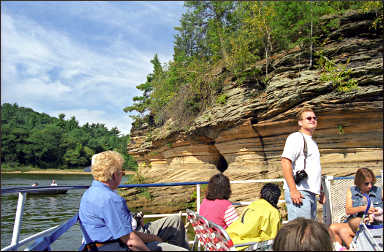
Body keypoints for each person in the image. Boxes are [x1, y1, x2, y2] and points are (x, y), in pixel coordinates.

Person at [79, 151, 189, 251]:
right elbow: (131, 241)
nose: (122, 175)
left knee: (175, 222)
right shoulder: (111, 199)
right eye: (122, 172)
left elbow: (124, 233)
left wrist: (153, 237)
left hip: (103, 244)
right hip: (116, 247)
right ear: (114, 174)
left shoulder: (90, 193)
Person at [281, 107, 325, 221]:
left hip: (310, 192)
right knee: (300, 232)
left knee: (308, 231)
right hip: (300, 192)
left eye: (315, 118)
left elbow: (314, 168)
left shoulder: (312, 142)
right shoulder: (296, 137)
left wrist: (320, 190)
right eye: (308, 118)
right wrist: (293, 190)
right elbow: (285, 162)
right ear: (300, 122)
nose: (312, 120)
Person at [328, 168, 383, 249]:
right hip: (355, 224)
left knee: (344, 231)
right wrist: (363, 208)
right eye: (366, 183)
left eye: (372, 183)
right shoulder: (352, 191)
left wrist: (378, 211)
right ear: (359, 183)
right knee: (332, 228)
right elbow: (348, 210)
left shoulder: (378, 190)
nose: (370, 186)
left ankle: (354, 248)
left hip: (372, 225)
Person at [226, 183, 282, 249]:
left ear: (261, 194)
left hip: (228, 237)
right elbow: (271, 239)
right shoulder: (273, 212)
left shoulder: (254, 204)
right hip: (240, 245)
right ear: (276, 199)